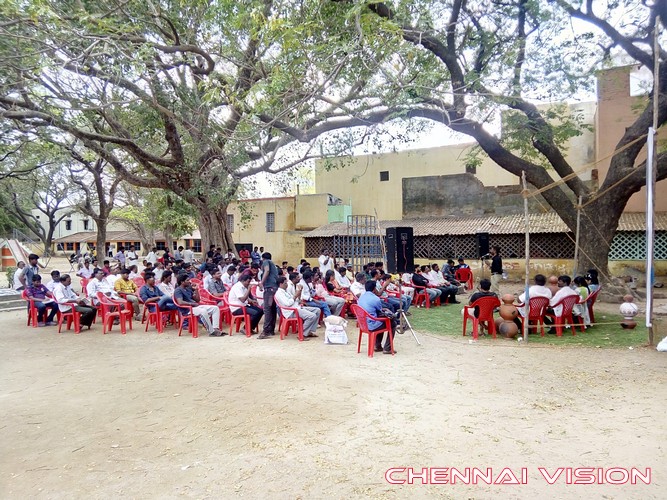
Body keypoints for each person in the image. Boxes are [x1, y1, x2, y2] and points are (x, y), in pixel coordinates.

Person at [357, 280, 397, 355]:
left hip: (363, 324)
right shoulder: (375, 299)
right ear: (374, 289)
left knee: (380, 321)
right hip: (371, 325)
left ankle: (377, 346)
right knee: (392, 323)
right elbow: (380, 311)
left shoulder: (361, 297)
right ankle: (387, 348)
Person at [258, 252, 279, 339]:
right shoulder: (274, 265)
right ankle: (271, 330)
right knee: (272, 309)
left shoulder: (266, 262)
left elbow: (267, 270)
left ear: (263, 258)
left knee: (267, 309)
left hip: (269, 289)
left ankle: (265, 331)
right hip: (274, 288)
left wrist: (261, 282)